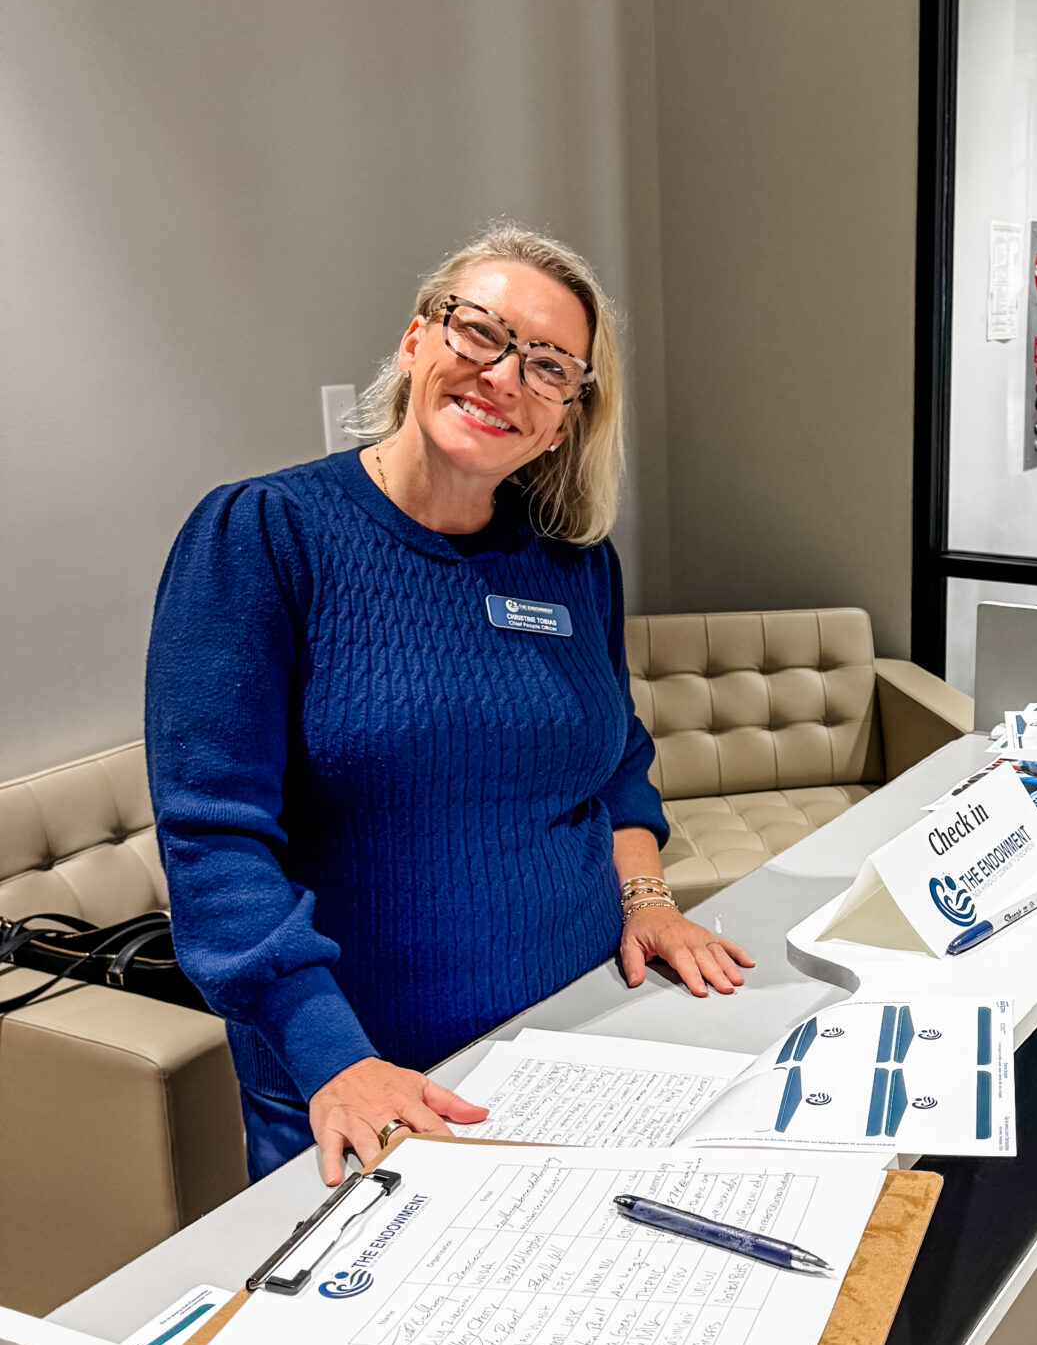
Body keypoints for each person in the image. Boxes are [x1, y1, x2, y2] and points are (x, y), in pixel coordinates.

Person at [147, 224, 752, 1188]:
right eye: (480, 332)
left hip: (584, 1031)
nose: (504, 376)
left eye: (549, 366)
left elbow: (616, 760)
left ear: (565, 419)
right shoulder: (266, 535)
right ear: (415, 341)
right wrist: (332, 1058)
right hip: (373, 1081)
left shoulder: (573, 564)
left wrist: (648, 899)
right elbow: (214, 839)